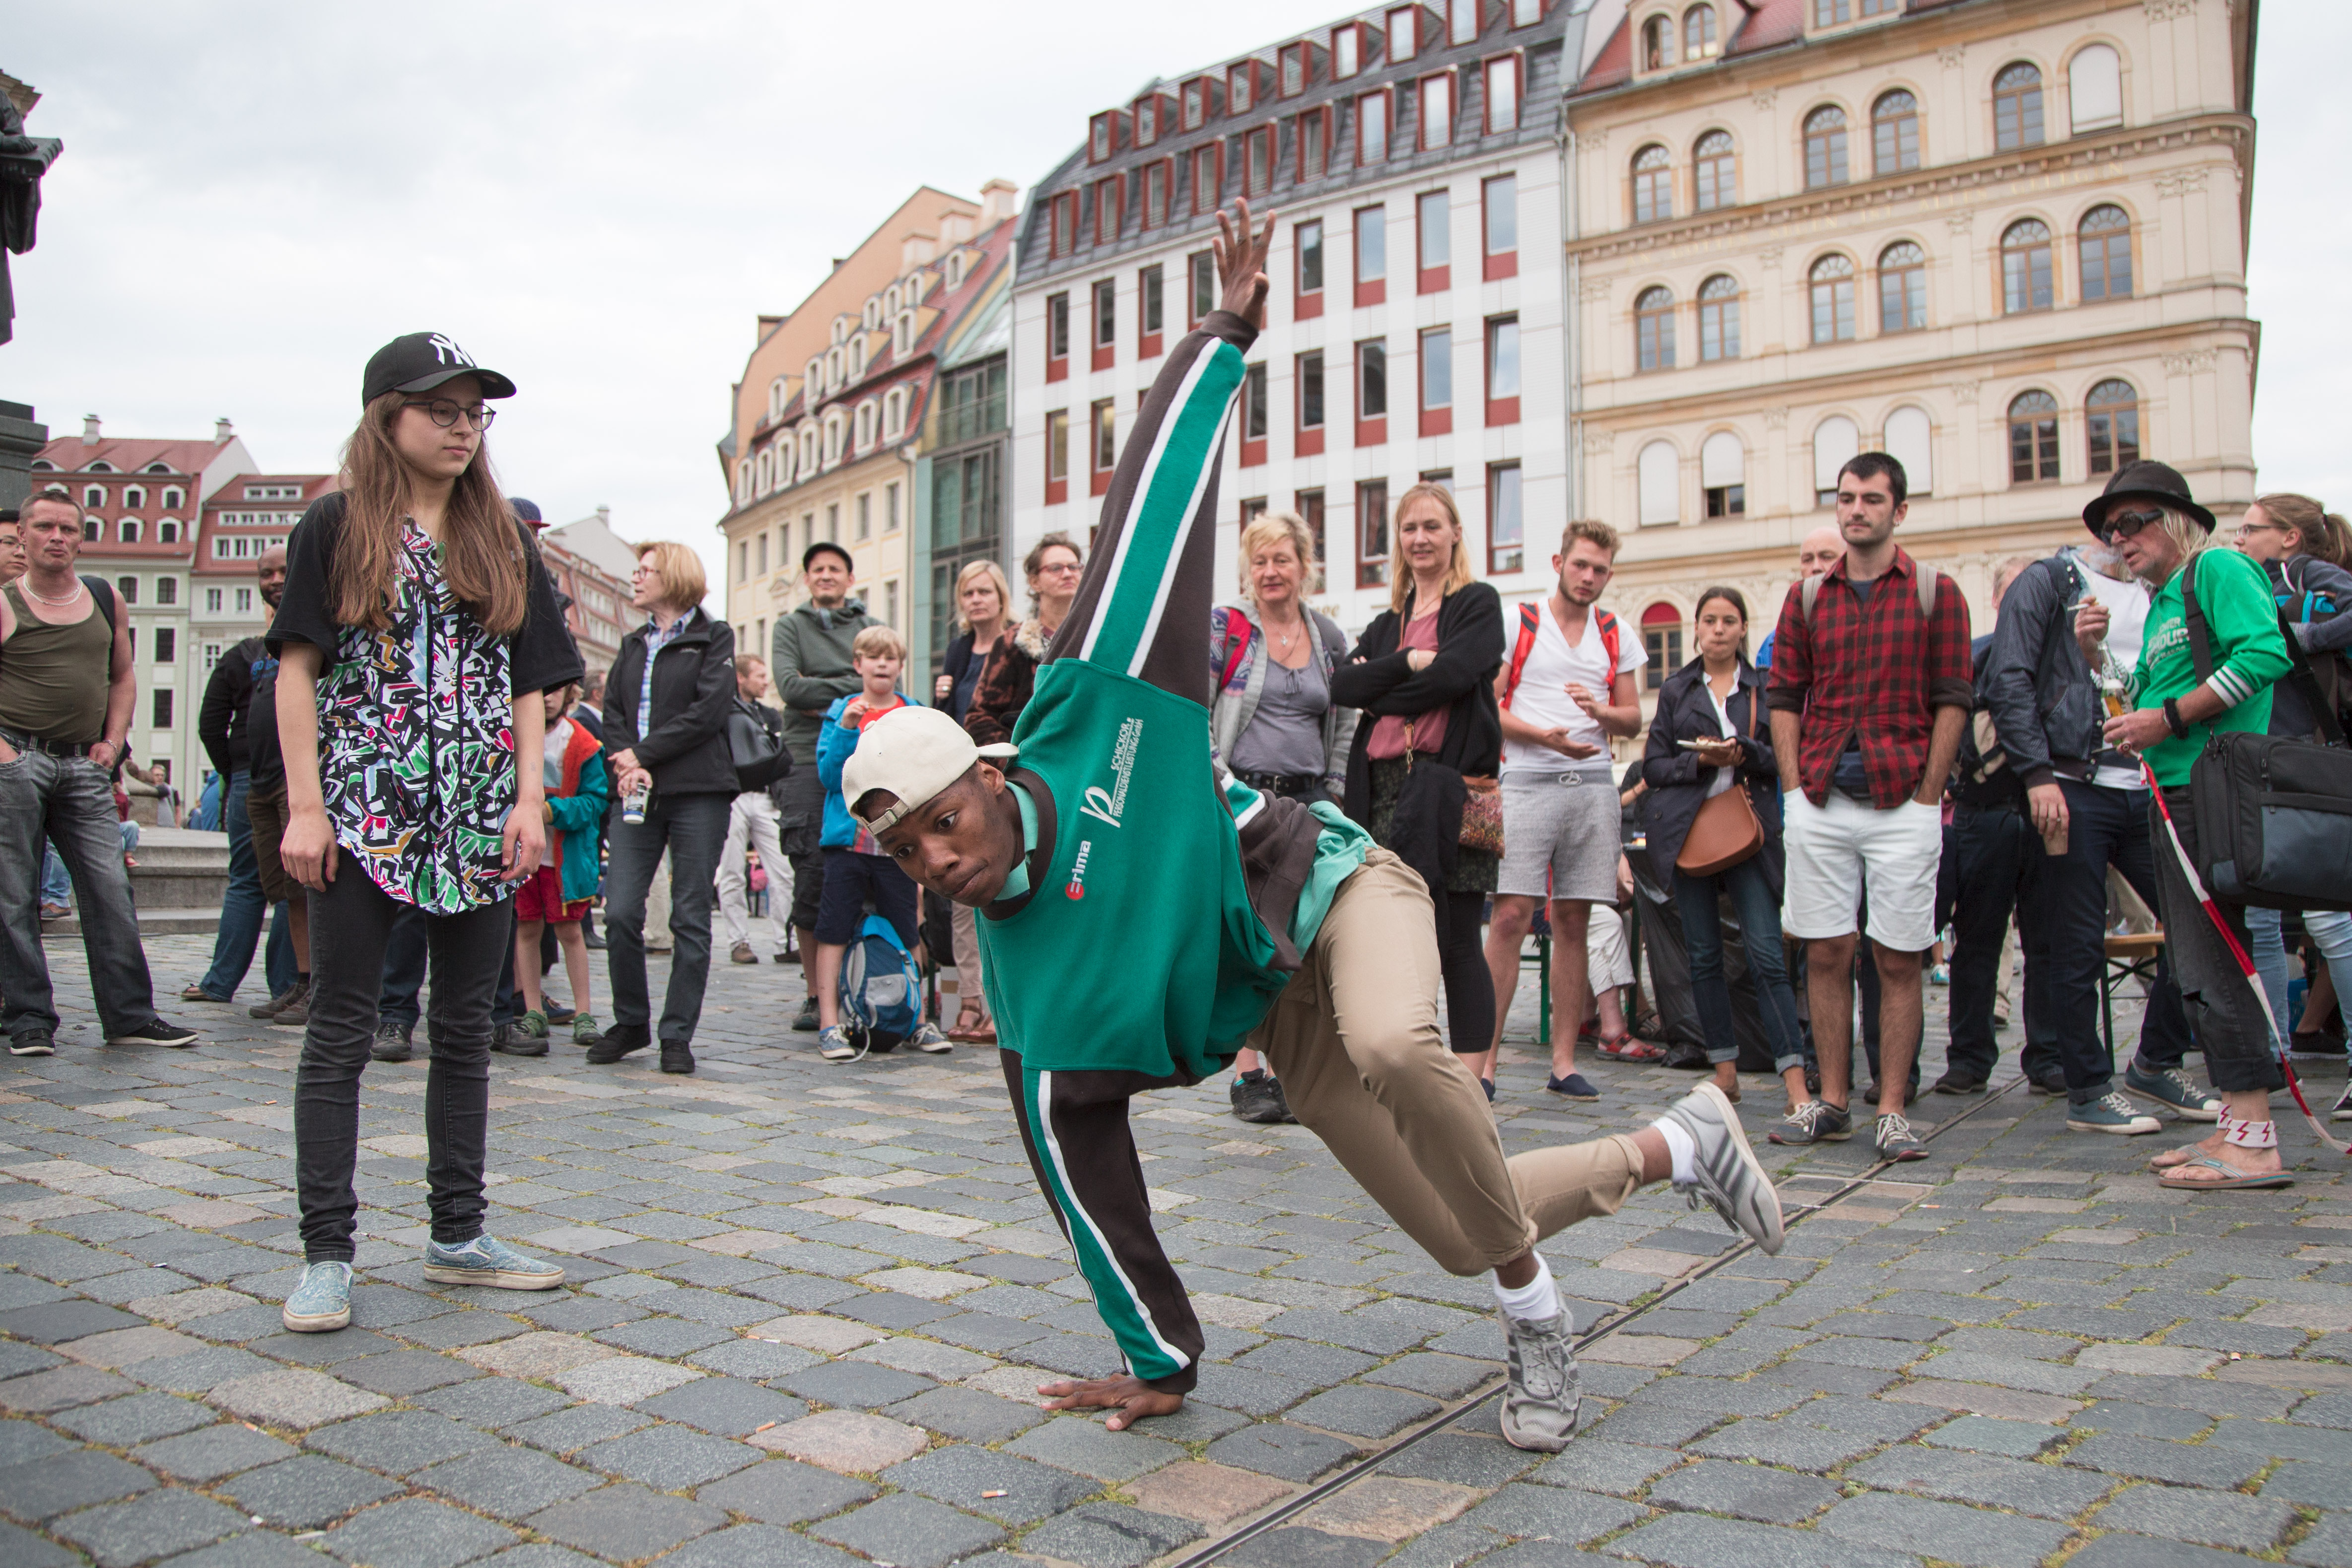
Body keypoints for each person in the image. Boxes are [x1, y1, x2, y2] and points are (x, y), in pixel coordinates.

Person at [849, 200, 1784, 1452]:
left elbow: (1147, 519)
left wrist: (1221, 342)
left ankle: (1539, 1326)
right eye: (907, 856)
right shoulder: (1026, 998)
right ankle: (1678, 1140)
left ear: (977, 772)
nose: (937, 862)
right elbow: (1079, 1180)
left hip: (1336, 888)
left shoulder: (1091, 702)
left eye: (937, 825)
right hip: (1274, 1012)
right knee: (1463, 1226)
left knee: (1406, 1053)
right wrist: (1160, 1357)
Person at [270, 332, 580, 1333]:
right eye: (439, 409)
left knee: (462, 1031)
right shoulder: (336, 525)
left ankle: (458, 1233)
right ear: (386, 417)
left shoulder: (499, 535)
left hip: (480, 816)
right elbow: (296, 670)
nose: (460, 427)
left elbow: (531, 678)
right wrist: (307, 806)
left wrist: (528, 798)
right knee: (342, 1031)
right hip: (365, 812)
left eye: (473, 412)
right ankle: (327, 1254)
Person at [2074, 462, 2293, 1187]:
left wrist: (2165, 718)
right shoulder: (2166, 601)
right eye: (2111, 532)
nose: (2119, 540)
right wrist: (2096, 656)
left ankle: (2254, 1138)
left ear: (2173, 520)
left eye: (2130, 523)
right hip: (2172, 791)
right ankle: (2235, 1124)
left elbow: (2264, 653)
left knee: (2214, 957)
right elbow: (2137, 699)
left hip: (2211, 789)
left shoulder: (2217, 568)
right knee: (2199, 963)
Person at [1765, 453, 1972, 1161]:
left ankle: (1889, 1108)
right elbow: (1784, 697)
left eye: (1872, 499)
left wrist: (1927, 794)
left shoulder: (1934, 591)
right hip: (1821, 794)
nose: (1856, 509)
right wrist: (1792, 791)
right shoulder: (1806, 598)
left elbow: (1953, 698)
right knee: (1824, 951)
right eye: (1847, 498)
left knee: (1898, 958)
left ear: (1898, 510)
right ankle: (1830, 1101)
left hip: (1901, 799)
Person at [1982, 534, 2214, 1132]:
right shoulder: (2050, 581)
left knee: (2200, 924)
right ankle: (2087, 1089)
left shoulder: (2167, 592)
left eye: (2142, 521)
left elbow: (2138, 688)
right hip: (2073, 782)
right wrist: (2037, 775)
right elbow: (2008, 680)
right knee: (2074, 944)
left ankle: (2155, 1062)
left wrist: (2097, 657)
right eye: (2119, 520)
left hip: (2150, 784)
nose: (2127, 534)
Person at [0, 492, 197, 1057]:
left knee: (110, 890)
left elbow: (123, 675)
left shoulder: (104, 598)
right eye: (44, 527)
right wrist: (7, 757)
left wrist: (112, 745)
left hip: (84, 763)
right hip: (19, 758)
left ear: (81, 538)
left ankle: (130, 1015)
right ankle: (30, 1019)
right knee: (14, 896)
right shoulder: (7, 601)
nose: (56, 536)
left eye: (68, 528)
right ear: (23, 534)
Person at [1329, 484, 1504, 1081]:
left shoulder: (1477, 605)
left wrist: (1383, 689)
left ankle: (1474, 1079)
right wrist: (1406, 662)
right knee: (1394, 937)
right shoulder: (1387, 626)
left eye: (1432, 526)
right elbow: (1341, 688)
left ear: (1455, 533)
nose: (1421, 538)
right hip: (1379, 792)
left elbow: (1456, 674)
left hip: (1447, 791)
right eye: (1409, 529)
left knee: (1456, 939)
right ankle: (1414, 1070)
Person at [1479, 520, 1652, 1103]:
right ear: (1558, 562)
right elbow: (1489, 707)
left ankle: (1562, 1062)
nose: (1589, 577)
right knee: (1509, 917)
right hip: (1527, 781)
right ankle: (1485, 1063)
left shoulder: (1615, 631)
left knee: (1575, 919)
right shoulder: (1520, 622)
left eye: (1600, 569)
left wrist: (1599, 713)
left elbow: (1633, 718)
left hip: (1593, 787)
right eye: (1580, 565)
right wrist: (1544, 738)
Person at [1641, 587, 1812, 1113]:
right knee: (1704, 958)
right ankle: (1725, 1074)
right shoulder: (1676, 690)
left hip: (1750, 835)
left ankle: (1796, 1082)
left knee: (1767, 956)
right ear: (1696, 629)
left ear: (1743, 630)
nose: (1718, 629)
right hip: (1692, 835)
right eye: (1709, 620)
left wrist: (1742, 753)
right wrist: (1700, 764)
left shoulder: (1762, 687)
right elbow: (1653, 766)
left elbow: (1788, 757)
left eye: (1729, 621)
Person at [1211, 509, 1357, 1122]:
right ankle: (1249, 1076)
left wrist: (1336, 790)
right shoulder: (1228, 628)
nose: (1271, 572)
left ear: (1304, 566)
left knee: (1301, 931)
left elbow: (1345, 719)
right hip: (1242, 797)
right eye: (1260, 561)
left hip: (1306, 802)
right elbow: (1197, 701)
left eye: (1282, 559)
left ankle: (1297, 1067)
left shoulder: (1327, 636)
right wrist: (1214, 781)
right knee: (1248, 932)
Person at [593, 540, 737, 1076]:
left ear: (672, 577)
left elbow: (709, 712)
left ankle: (676, 1034)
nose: (636, 578)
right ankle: (630, 1022)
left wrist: (643, 753)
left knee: (690, 915)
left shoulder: (712, 636)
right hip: (636, 790)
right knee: (623, 911)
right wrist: (628, 765)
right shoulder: (634, 643)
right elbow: (611, 711)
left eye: (645, 570)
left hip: (699, 791)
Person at [2230, 492, 2352, 1111]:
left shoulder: (2306, 573)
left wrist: (2304, 634)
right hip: (2264, 759)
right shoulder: (2252, 578)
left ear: (2289, 539)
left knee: (2329, 918)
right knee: (2263, 920)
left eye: (2251, 529)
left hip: (2304, 757)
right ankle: (2274, 1056)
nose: (2241, 537)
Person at [1942, 557, 2069, 1103]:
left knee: (2049, 940)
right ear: (1999, 601)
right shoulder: (1975, 656)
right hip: (1985, 812)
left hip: (2050, 813)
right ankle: (1968, 1058)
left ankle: (2049, 1055)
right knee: (1975, 943)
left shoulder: (2067, 657)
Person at [811, 625, 951, 1062]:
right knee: (833, 930)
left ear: (901, 665)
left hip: (897, 846)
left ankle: (918, 1019)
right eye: (873, 657)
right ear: (858, 665)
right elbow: (830, 776)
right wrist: (848, 728)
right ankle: (829, 1023)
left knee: (909, 927)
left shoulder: (912, 710)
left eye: (890, 657)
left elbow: (926, 770)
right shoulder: (841, 709)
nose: (882, 664)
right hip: (849, 843)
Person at [771, 542, 878, 1031]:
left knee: (868, 872)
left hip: (866, 754)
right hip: (802, 759)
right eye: (818, 569)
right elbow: (791, 690)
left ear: (848, 578)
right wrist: (848, 691)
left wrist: (825, 690)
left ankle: (868, 983)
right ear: (808, 578)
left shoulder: (865, 626)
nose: (827, 576)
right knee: (812, 874)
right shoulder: (790, 627)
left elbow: (881, 684)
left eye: (835, 569)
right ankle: (816, 994)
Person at [187, 545, 296, 1008]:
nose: (273, 578)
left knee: (287, 882)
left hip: (287, 776)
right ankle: (259, 984)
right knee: (259, 881)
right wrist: (235, 771)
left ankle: (283, 986)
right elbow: (211, 723)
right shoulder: (240, 656)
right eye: (265, 572)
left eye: (282, 571)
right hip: (252, 777)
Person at [934, 560, 1013, 1043]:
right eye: (968, 593)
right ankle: (968, 1002)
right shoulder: (959, 651)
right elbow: (944, 718)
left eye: (984, 591)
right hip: (957, 777)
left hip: (1002, 777)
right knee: (961, 898)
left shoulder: (1015, 644)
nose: (976, 600)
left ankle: (999, 1004)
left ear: (1000, 596)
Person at [512, 682, 608, 1050]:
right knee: (527, 928)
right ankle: (533, 1009)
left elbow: (595, 801)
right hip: (525, 857)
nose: (547, 697)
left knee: (571, 932)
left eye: (555, 690)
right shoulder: (515, 734)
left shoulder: (583, 742)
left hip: (565, 859)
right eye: (540, 689)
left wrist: (553, 811)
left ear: (570, 694)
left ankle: (584, 1012)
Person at [964, 533, 1084, 748]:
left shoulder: (1096, 639)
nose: (1068, 574)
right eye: (1056, 568)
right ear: (1035, 582)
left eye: (1074, 567)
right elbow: (979, 719)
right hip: (1034, 770)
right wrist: (1020, 761)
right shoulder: (1012, 643)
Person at [718, 654, 795, 967]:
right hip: (732, 795)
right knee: (732, 870)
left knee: (783, 871)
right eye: (760, 676)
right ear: (740, 677)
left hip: (765, 797)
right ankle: (739, 941)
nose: (766, 681)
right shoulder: (723, 711)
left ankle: (786, 941)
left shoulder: (769, 715)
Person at [1754, 525, 1848, 671]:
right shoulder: (1774, 643)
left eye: (1827, 557)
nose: (1816, 567)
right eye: (1808, 560)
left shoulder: (1865, 624)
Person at [570, 672, 607, 950]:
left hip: (595, 804)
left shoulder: (592, 721)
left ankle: (586, 928)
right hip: (585, 805)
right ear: (596, 693)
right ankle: (583, 928)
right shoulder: (583, 722)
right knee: (584, 864)